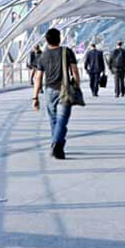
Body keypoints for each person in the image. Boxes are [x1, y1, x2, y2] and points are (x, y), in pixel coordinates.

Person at [32, 28, 80, 159]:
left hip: (49, 91)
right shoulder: (67, 52)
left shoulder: (43, 56)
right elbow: (75, 71)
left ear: (46, 40)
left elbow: (38, 78)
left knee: (54, 120)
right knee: (62, 120)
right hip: (64, 89)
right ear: (59, 38)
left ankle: (56, 144)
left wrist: (35, 97)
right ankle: (57, 145)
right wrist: (77, 86)